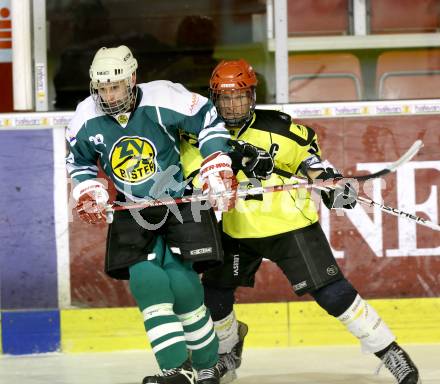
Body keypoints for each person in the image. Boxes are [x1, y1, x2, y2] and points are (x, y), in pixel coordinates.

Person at [180, 59, 421, 384]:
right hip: (238, 227)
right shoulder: (200, 134)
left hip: (289, 223)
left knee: (333, 295)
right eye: (225, 98)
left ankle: (390, 352)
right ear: (214, 98)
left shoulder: (279, 127)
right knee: (216, 294)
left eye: (240, 96)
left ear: (252, 96)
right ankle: (228, 353)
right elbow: (194, 176)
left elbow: (311, 162)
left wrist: (329, 183)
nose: (233, 105)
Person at [65, 46, 271, 384]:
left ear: (132, 79)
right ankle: (177, 370)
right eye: (101, 88)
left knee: (184, 286)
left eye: (114, 86)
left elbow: (208, 118)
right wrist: (88, 189)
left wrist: (216, 162)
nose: (108, 94)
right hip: (134, 207)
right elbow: (79, 161)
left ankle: (206, 366)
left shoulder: (164, 96)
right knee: (148, 282)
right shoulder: (85, 116)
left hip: (181, 201)